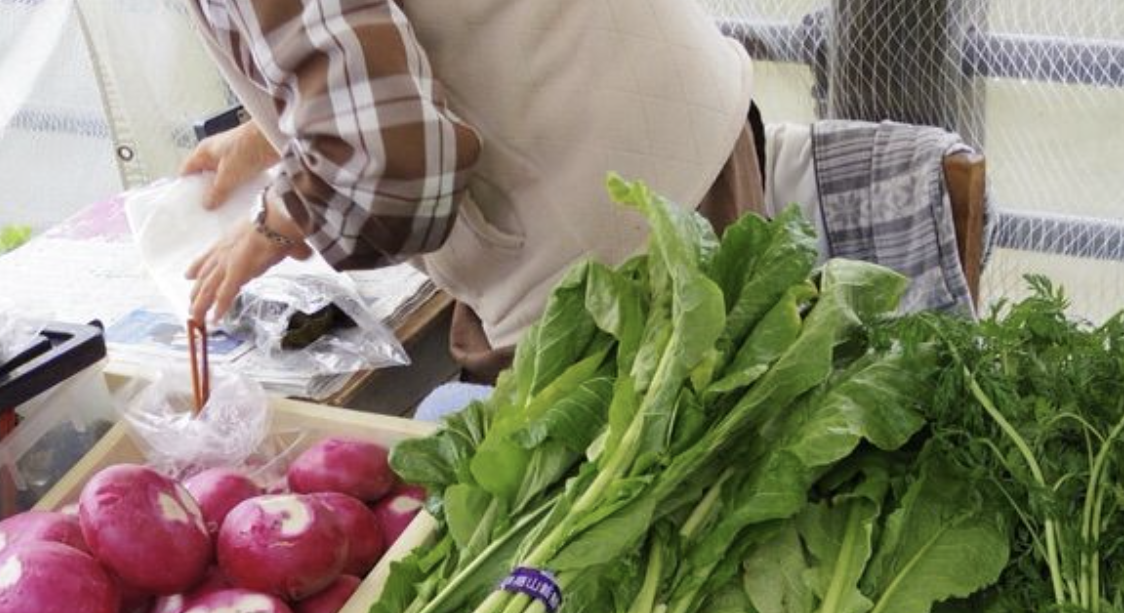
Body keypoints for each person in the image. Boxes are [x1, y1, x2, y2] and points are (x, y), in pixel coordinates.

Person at [177, 0, 764, 378]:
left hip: (605, 225)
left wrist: (276, 222)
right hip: (673, 109)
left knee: (651, 519)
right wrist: (271, 132)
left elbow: (388, 170)